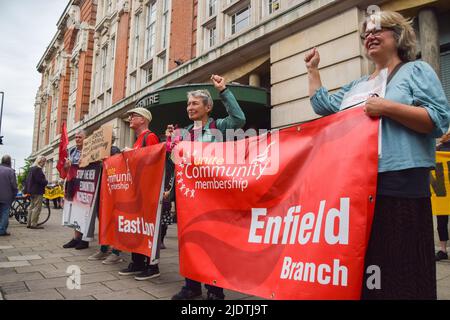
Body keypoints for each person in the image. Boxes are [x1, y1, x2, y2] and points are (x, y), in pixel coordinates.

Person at [304, 11, 450, 299]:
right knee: (371, 269)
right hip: (358, 184)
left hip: (401, 182)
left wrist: (386, 108)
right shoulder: (357, 85)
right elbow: (324, 105)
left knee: (402, 266)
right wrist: (312, 70)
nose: (370, 36)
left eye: (378, 30)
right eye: (366, 33)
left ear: (397, 37)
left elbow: (438, 120)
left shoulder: (415, 71)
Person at [170, 74, 246, 300]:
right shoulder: (184, 133)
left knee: (213, 244)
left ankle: (214, 290)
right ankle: (191, 286)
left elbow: (239, 119)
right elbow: (178, 164)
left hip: (213, 197)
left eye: (194, 103)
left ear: (208, 107)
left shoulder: (220, 126)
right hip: (189, 198)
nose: (189, 107)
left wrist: (224, 91)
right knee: (190, 241)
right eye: (188, 104)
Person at [118, 107, 161, 280]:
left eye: (133, 116)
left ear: (142, 119)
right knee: (137, 228)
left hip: (146, 192)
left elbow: (153, 161)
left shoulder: (150, 137)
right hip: (137, 191)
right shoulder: (139, 139)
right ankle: (137, 262)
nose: (129, 118)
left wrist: (131, 154)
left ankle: (152, 266)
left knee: (147, 228)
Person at [88, 142, 124, 265]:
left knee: (113, 221)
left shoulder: (114, 150)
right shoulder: (95, 153)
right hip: (100, 190)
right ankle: (104, 249)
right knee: (103, 220)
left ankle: (116, 252)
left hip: (111, 191)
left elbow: (117, 167)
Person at [62, 129, 89, 249]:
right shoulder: (71, 151)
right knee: (74, 212)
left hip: (85, 185)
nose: (77, 139)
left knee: (84, 213)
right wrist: (67, 167)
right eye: (76, 137)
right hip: (72, 184)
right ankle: (76, 238)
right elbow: (67, 170)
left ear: (86, 138)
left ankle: (84, 239)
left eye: (80, 137)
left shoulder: (89, 149)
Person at [436, 132, 450, 261]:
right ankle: (443, 249)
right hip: (442, 189)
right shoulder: (440, 147)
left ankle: (443, 249)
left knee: (442, 220)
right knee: (441, 220)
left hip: (443, 189)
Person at [25, 155, 48, 229]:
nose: (44, 163)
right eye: (43, 161)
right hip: (37, 191)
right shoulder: (38, 169)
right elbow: (40, 180)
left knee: (31, 207)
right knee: (37, 208)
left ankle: (29, 223)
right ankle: (33, 224)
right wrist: (46, 181)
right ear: (40, 161)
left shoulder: (32, 168)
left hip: (32, 191)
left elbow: (28, 180)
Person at [0, 155, 18, 236]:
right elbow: (14, 185)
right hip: (6, 196)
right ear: (9, 162)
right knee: (4, 213)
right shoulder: (11, 171)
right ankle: (2, 230)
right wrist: (14, 194)